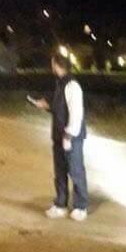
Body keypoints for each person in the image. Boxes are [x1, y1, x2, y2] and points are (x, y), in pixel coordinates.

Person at [33, 54, 88, 221]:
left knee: (76, 171)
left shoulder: (72, 86)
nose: (51, 67)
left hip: (71, 137)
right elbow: (59, 108)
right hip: (59, 135)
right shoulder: (60, 84)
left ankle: (80, 206)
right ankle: (60, 204)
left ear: (56, 65)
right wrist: (46, 106)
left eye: (52, 63)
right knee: (60, 172)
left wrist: (69, 135)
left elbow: (76, 113)